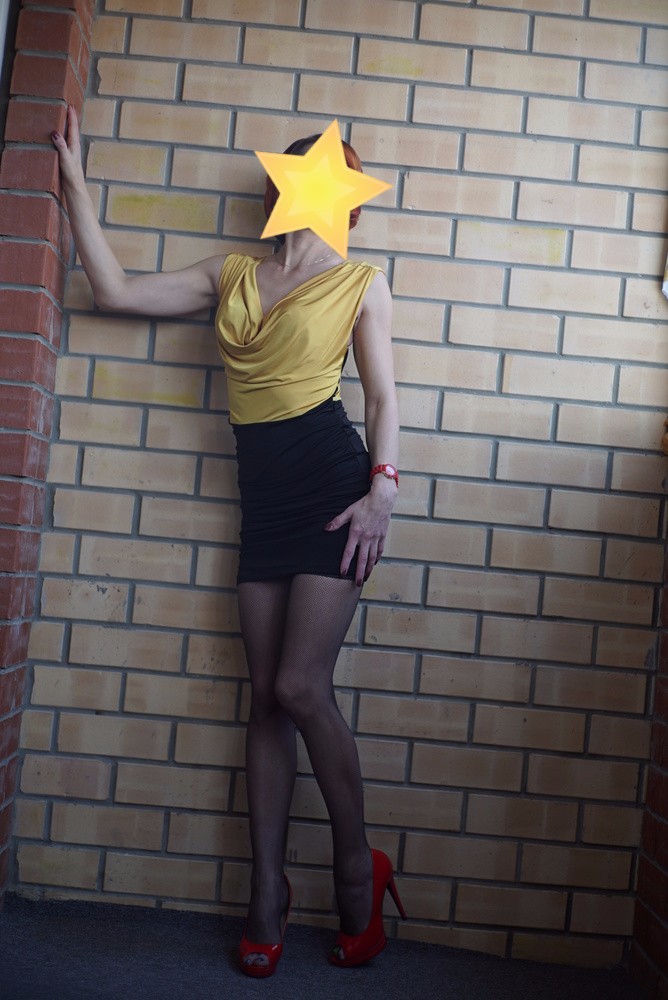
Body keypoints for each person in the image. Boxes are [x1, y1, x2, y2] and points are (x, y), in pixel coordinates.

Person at [52, 107, 404, 977]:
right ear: (284, 189)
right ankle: (266, 892)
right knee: (263, 700)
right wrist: (74, 186)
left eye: (339, 184)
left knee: (299, 685)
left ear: (351, 204)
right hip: (264, 503)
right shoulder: (232, 272)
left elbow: (382, 398)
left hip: (332, 493)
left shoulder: (362, 284)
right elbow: (115, 293)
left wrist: (381, 494)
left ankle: (356, 866)